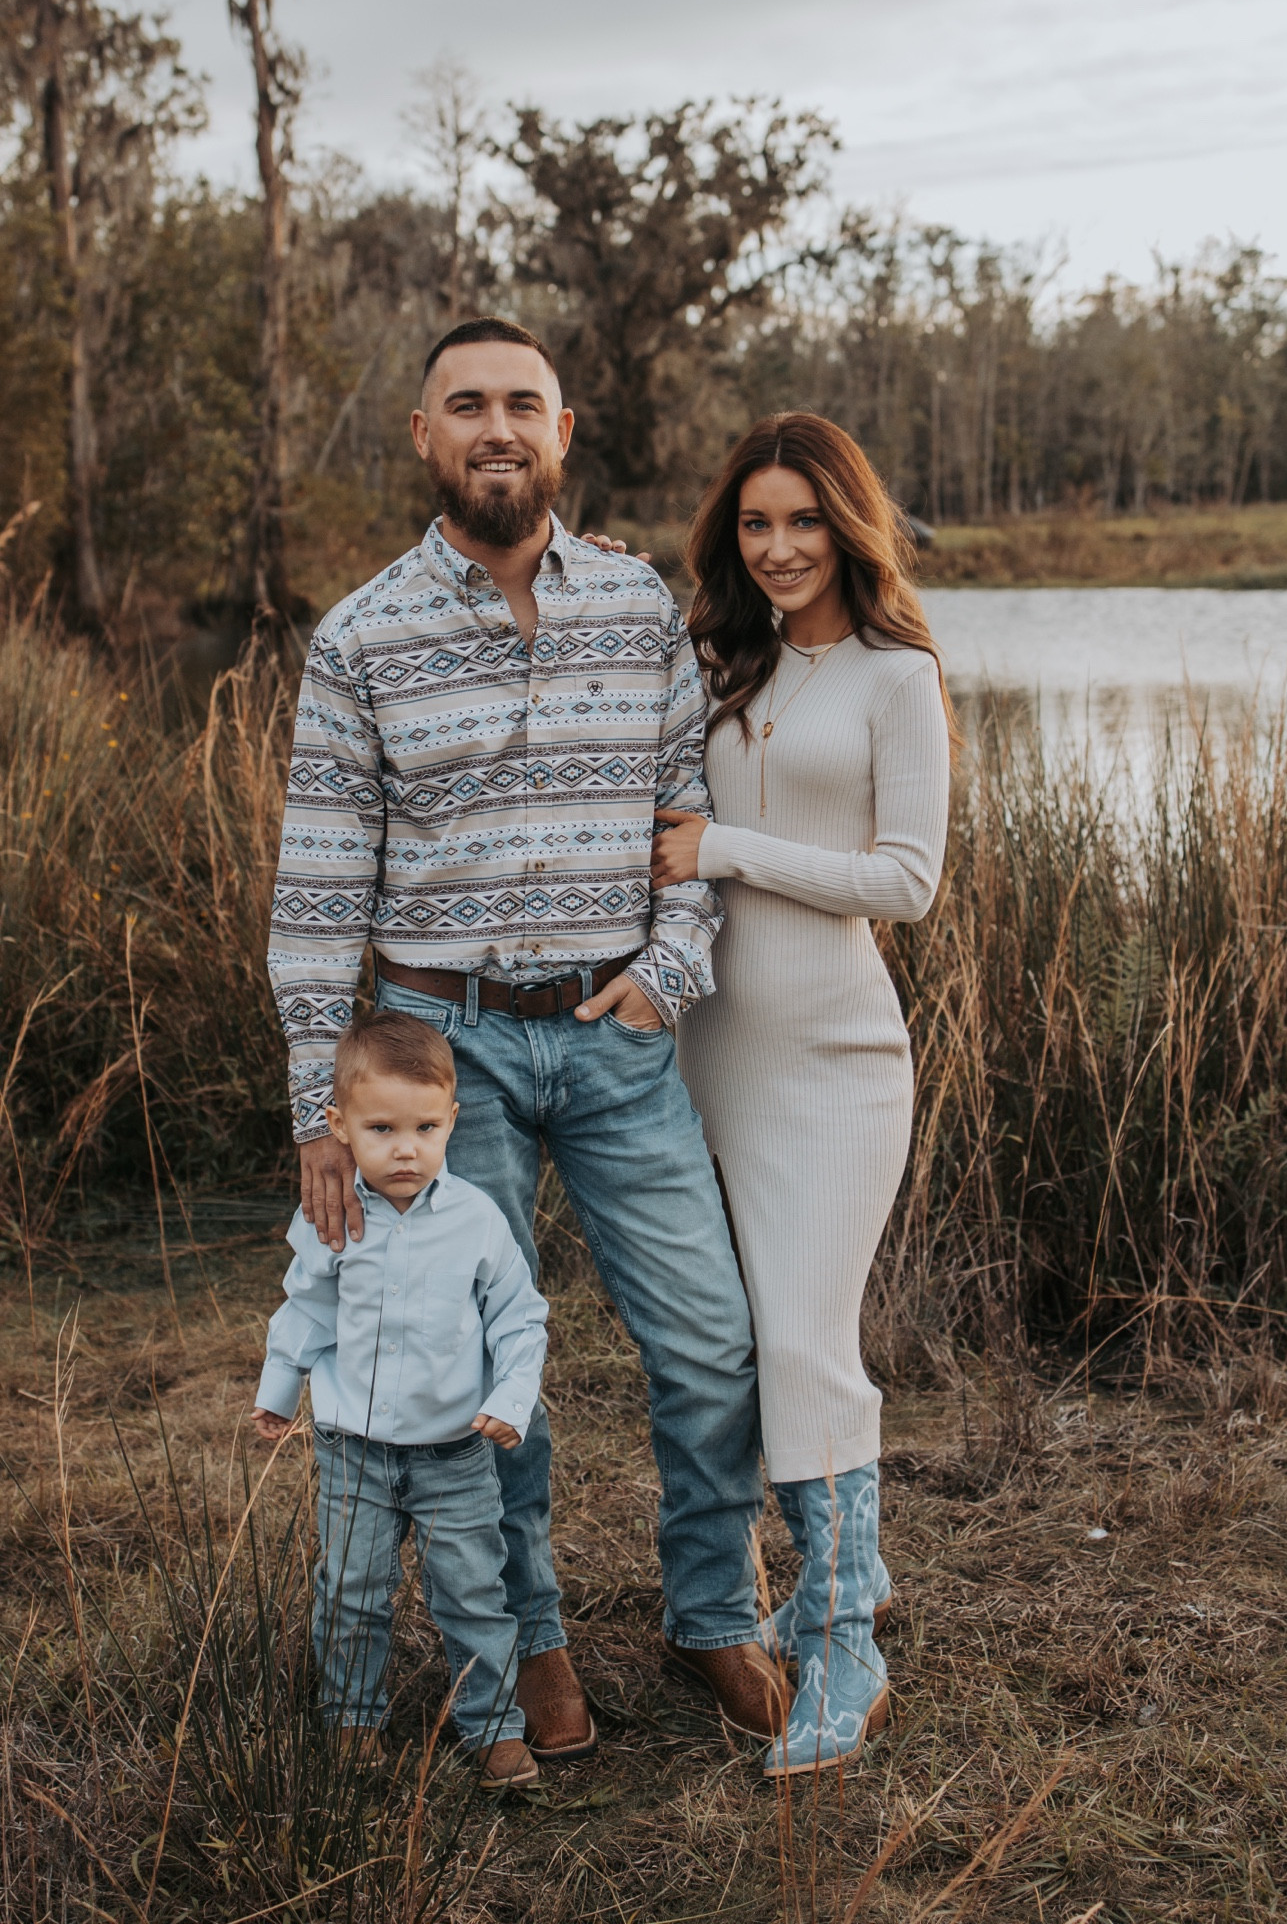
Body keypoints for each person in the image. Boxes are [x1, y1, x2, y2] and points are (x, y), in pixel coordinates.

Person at [266, 317, 788, 1759]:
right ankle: (530, 1639)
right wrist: (320, 1110)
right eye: (465, 405)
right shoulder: (359, 637)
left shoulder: (636, 605)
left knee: (709, 1341)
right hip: (445, 1049)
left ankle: (713, 1614)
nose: (495, 427)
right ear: (423, 435)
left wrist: (667, 972)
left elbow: (686, 820)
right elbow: (316, 897)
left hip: (618, 1035)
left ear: (561, 432)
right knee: (483, 1359)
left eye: (521, 404)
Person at [650, 411, 953, 1779]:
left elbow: (906, 881)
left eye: (804, 521)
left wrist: (728, 847)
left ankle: (843, 1649)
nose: (779, 548)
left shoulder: (897, 676)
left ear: (849, 524)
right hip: (708, 1054)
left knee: (804, 1346)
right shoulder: (724, 662)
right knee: (741, 1341)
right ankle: (849, 1572)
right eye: (755, 523)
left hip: (835, 1062)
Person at [251, 1010, 549, 1788]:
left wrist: (512, 1397)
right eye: (381, 1129)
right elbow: (307, 1307)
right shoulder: (332, 1217)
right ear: (339, 1126)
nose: (406, 1148)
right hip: (354, 1449)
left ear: (451, 1120)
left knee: (474, 1592)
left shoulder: (477, 1220)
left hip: (455, 1450)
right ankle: (352, 1719)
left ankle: (492, 1726)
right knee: (351, 1589)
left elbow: (519, 1319)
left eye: (425, 1127)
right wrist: (280, 1387)